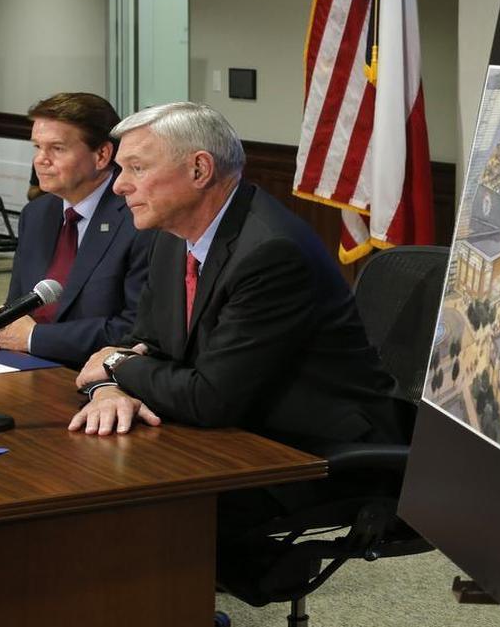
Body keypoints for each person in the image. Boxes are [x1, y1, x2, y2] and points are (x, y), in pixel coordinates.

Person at [70, 102, 409, 551]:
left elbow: (210, 398)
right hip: (236, 429)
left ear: (199, 169)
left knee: (130, 509)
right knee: (88, 474)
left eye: (136, 167)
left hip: (311, 450)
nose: (120, 186)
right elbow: (146, 345)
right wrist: (109, 388)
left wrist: (113, 365)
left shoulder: (270, 252)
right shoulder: (171, 237)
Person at [0, 92, 153, 368]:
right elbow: (18, 303)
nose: (40, 160)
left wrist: (33, 337)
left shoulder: (139, 218)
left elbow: (135, 329)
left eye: (57, 148)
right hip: (24, 364)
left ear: (101, 155)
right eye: (37, 147)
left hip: (99, 377)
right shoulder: (37, 213)